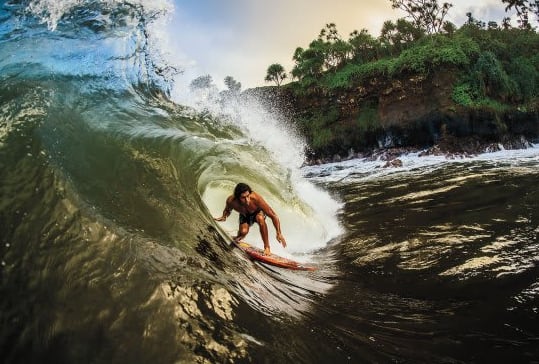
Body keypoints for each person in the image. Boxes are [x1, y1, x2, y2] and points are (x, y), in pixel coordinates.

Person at [215, 182, 287, 256]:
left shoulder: (256, 198)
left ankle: (267, 247)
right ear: (237, 197)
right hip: (245, 215)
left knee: (260, 219)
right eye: (243, 197)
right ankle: (238, 237)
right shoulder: (231, 201)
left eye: (248, 196)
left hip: (258, 213)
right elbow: (227, 210)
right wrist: (224, 217)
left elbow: (273, 215)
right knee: (243, 233)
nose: (247, 200)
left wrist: (278, 233)